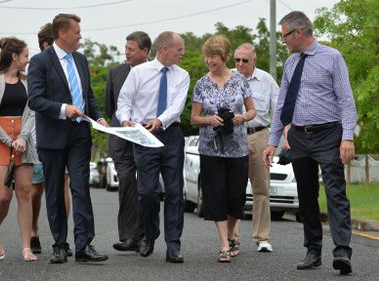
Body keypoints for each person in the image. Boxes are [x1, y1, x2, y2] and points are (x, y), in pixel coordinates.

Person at [262, 11, 356, 275]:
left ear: (298, 33)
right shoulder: (291, 63)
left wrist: (347, 136)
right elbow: (282, 104)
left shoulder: (332, 57)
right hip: (299, 137)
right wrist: (273, 141)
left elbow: (346, 100)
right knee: (306, 196)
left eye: (285, 37)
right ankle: (313, 250)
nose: (284, 42)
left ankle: (341, 252)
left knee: (335, 192)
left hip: (329, 134)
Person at [27, 13, 109, 264]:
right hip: (52, 136)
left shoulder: (81, 60)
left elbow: (88, 96)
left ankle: (84, 245)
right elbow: (35, 99)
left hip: (79, 134)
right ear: (62, 33)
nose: (81, 36)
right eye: (77, 32)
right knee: (53, 192)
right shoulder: (40, 62)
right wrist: (64, 109)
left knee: (81, 187)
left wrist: (99, 118)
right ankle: (60, 245)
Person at [116, 31, 189, 263]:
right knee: (147, 191)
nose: (182, 53)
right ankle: (149, 232)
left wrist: (160, 120)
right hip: (144, 136)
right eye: (179, 49)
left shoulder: (183, 75)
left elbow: (177, 107)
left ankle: (173, 245)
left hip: (171, 135)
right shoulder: (138, 73)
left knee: (175, 191)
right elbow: (124, 101)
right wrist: (125, 119)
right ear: (165, 49)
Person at [190, 35, 256, 263]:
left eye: (214, 56)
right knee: (216, 196)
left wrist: (241, 117)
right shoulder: (201, 84)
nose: (210, 60)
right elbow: (194, 118)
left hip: (237, 148)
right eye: (207, 56)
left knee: (235, 196)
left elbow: (252, 111)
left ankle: (231, 234)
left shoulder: (240, 81)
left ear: (224, 57)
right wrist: (209, 120)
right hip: (211, 149)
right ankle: (224, 245)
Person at [0, 36, 38, 262]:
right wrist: (9, 140)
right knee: (3, 196)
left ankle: (26, 247)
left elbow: (32, 112)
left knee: (25, 192)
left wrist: (22, 137)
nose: (27, 60)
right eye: (25, 56)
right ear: (14, 56)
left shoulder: (28, 82)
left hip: (22, 140)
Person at [105, 31, 151, 252]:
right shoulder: (116, 72)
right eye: (125, 48)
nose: (126, 53)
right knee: (126, 183)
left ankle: (144, 236)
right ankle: (128, 237)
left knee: (145, 186)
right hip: (120, 138)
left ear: (145, 52)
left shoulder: (155, 73)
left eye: (131, 49)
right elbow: (110, 107)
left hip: (144, 137)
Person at [30, 22, 72, 257]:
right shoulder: (38, 65)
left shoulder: (65, 67)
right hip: (36, 137)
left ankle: (61, 236)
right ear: (47, 45)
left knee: (61, 185)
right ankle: (34, 229)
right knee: (36, 189)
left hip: (59, 135)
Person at [232, 43, 279, 252]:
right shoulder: (228, 77)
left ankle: (262, 237)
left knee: (261, 188)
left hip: (258, 134)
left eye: (245, 60)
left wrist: (275, 140)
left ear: (254, 61)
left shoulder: (267, 80)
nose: (240, 64)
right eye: (237, 60)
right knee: (234, 188)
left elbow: (278, 109)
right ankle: (232, 238)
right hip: (232, 137)